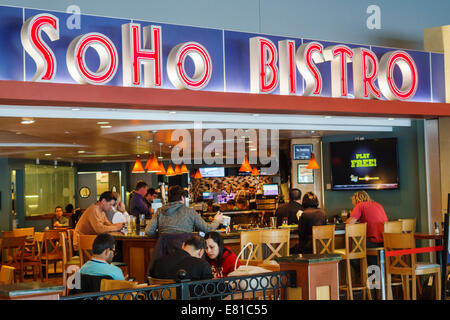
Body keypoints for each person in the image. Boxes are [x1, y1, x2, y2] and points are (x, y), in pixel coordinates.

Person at [145, 185, 224, 237]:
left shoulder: (160, 211)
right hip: (185, 253)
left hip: (164, 254)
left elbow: (149, 231)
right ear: (183, 198)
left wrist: (162, 235)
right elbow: (208, 229)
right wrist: (216, 220)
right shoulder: (190, 211)